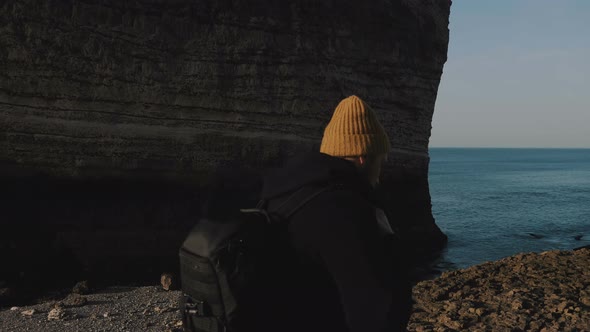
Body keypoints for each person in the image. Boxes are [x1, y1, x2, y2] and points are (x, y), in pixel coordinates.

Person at [258, 95, 413, 332]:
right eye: (381, 160)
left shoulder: (283, 191)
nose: (380, 172)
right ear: (363, 157)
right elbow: (376, 307)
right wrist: (390, 241)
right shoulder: (345, 209)